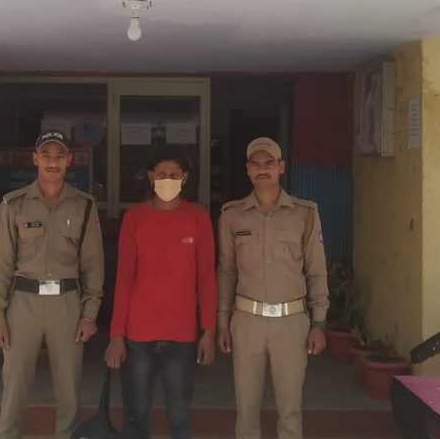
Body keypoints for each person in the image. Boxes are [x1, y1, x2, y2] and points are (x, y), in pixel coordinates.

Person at [0, 131, 104, 439]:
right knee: (14, 385)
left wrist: (89, 314)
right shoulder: (14, 204)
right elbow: (0, 266)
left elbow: (93, 265)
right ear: (35, 159)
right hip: (23, 303)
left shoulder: (84, 206)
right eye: (46, 155)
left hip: (66, 304)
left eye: (59, 156)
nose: (53, 162)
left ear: (69, 160)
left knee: (69, 387)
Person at [216, 137, 329, 439]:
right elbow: (226, 271)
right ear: (247, 170)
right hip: (247, 321)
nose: (262, 169)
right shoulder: (232, 215)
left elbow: (316, 271)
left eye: (269, 163)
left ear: (281, 167)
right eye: (255, 164)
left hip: (291, 323)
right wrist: (222, 322)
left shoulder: (304, 213)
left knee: (290, 410)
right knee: (246, 410)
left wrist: (319, 323)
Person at [105, 152, 217, 439]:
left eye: (175, 175)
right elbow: (124, 279)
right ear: (151, 177)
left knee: (179, 417)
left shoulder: (198, 218)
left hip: (182, 334)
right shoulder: (135, 218)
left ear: (185, 178)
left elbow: (206, 279)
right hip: (138, 334)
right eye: (162, 174)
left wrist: (209, 331)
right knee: (136, 417)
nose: (168, 180)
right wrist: (117, 335)